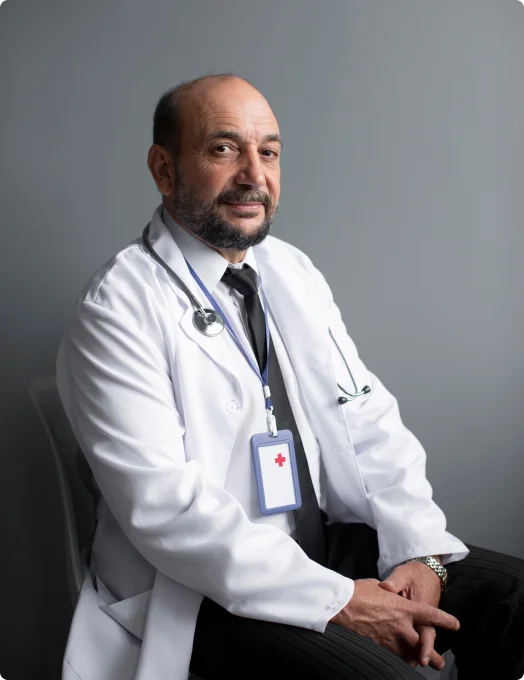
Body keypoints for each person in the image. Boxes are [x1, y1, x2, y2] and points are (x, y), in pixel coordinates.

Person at [56, 74, 524, 680]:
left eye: (268, 152)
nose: (255, 174)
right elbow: (168, 512)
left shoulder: (289, 271)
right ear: (164, 169)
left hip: (316, 543)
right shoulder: (115, 309)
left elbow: (366, 416)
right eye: (224, 149)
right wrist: (341, 602)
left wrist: (420, 553)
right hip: (204, 590)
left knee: (516, 599)